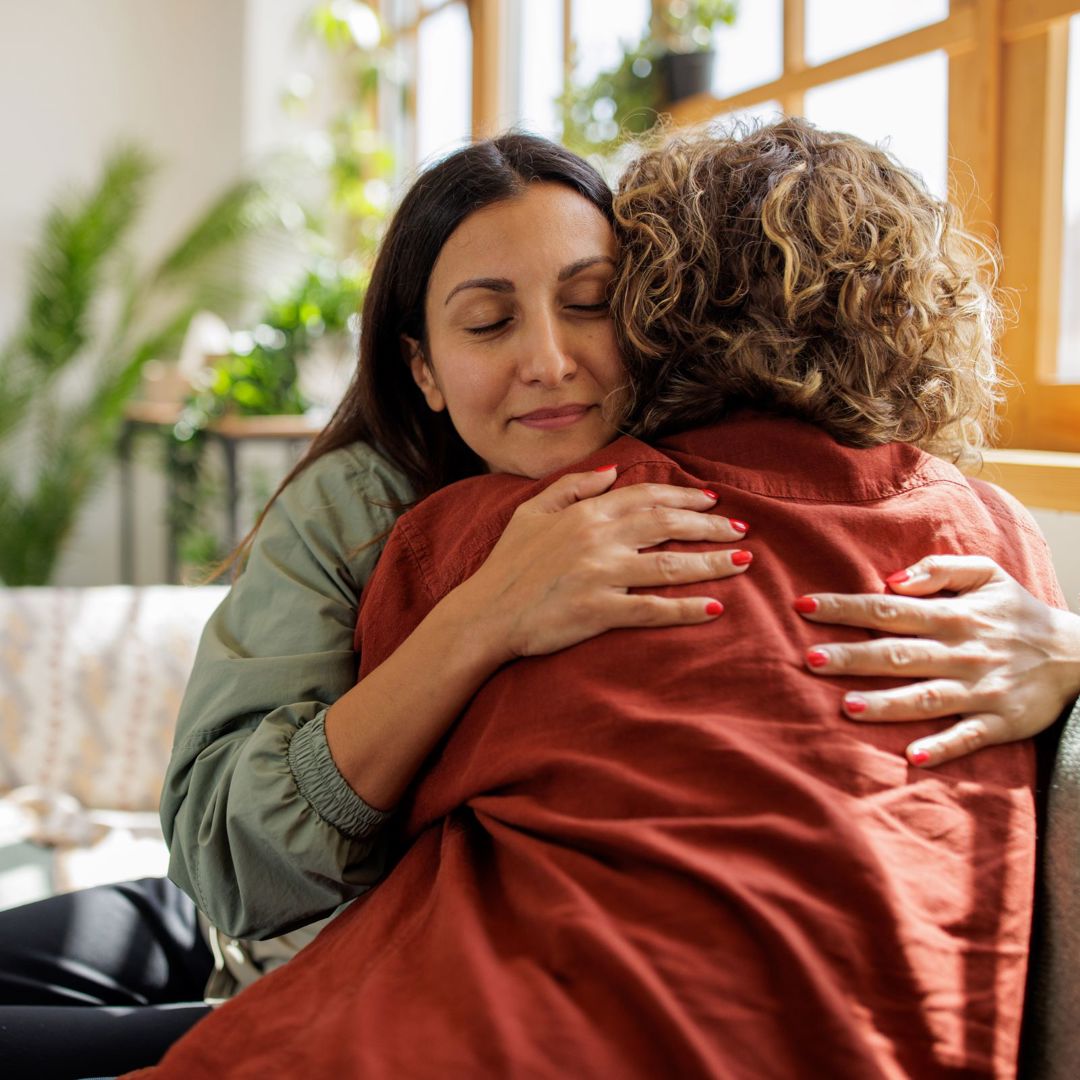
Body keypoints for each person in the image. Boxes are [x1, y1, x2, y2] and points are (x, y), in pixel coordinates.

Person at [127, 119, 1072, 1078]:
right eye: (489, 324)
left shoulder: (723, 502)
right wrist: (480, 619)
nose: (549, 360)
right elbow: (221, 860)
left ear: (661, 319)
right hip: (268, 941)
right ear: (423, 369)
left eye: (591, 304)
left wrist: (1067, 647)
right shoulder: (380, 510)